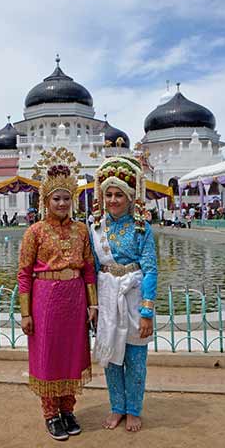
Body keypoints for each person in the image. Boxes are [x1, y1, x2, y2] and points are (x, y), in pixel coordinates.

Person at [17, 148, 98, 441]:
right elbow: (24, 274)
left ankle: (68, 409)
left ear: (72, 200)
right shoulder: (35, 232)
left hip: (75, 299)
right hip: (45, 301)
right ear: (46, 200)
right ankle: (51, 413)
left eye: (66, 198)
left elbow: (89, 268)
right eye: (56, 198)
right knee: (49, 356)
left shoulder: (81, 231)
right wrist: (26, 313)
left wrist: (93, 305)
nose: (62, 203)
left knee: (73, 354)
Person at [90, 156, 157, 433]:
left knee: (135, 359)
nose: (114, 200)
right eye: (109, 194)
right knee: (111, 358)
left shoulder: (142, 228)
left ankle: (133, 410)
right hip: (107, 298)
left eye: (119, 194)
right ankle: (117, 407)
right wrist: (93, 306)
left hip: (133, 296)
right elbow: (92, 269)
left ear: (130, 198)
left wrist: (146, 312)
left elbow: (151, 269)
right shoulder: (96, 229)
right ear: (102, 197)